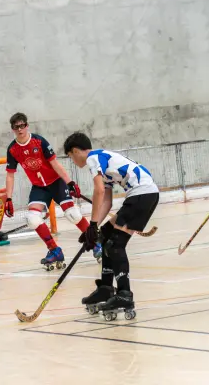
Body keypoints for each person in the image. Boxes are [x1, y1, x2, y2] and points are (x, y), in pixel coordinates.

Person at [63, 131, 159, 320]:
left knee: (115, 244)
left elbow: (98, 191)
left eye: (71, 157)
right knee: (105, 236)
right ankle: (106, 288)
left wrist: (91, 224)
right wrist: (95, 228)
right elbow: (105, 201)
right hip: (143, 194)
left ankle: (124, 294)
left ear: (75, 151)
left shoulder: (92, 159)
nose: (73, 162)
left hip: (142, 194)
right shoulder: (101, 159)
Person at [4, 113, 90, 270]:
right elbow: (10, 175)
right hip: (39, 187)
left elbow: (55, 164)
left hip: (56, 183)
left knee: (73, 214)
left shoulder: (39, 141)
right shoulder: (13, 149)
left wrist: (69, 182)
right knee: (32, 218)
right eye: (17, 127)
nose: (20, 129)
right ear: (13, 129)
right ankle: (54, 250)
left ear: (27, 126)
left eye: (22, 125)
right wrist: (8, 199)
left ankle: (96, 243)